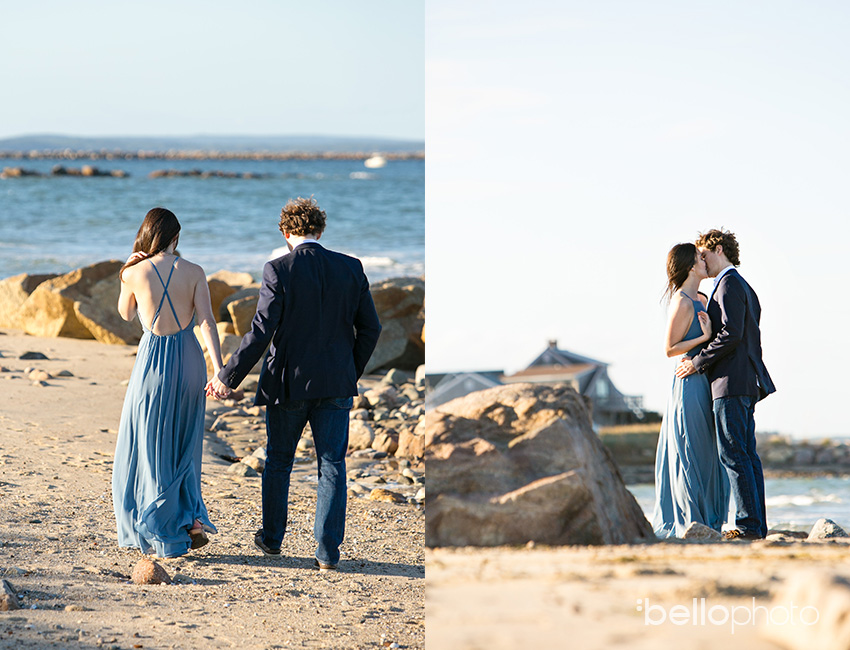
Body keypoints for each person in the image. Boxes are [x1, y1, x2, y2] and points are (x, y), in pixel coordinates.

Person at [207, 197, 381, 571]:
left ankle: (272, 541)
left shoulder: (278, 269)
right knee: (332, 463)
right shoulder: (351, 268)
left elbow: (260, 331)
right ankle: (327, 553)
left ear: (287, 234)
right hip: (336, 381)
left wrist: (227, 376)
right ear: (320, 231)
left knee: (280, 461)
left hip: (288, 383)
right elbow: (371, 328)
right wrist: (350, 370)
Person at [112, 207, 222, 558]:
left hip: (152, 363)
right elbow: (207, 323)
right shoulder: (195, 272)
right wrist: (219, 369)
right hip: (190, 359)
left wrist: (125, 272)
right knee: (185, 444)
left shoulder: (134, 272)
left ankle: (162, 531)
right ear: (175, 237)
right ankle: (190, 520)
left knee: (150, 443)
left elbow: (126, 314)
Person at [675, 229, 776, 540]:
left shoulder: (729, 284)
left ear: (718, 249)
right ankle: (756, 526)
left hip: (730, 382)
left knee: (734, 455)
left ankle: (748, 527)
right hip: (744, 380)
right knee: (746, 455)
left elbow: (731, 334)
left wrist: (697, 361)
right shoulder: (742, 285)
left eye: (704, 254)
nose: (702, 261)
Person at [651, 243, 730, 538]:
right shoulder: (682, 301)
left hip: (705, 381)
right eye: (700, 257)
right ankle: (690, 520)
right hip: (689, 384)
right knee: (692, 449)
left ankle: (711, 520)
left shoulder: (703, 297)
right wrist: (707, 336)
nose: (704, 259)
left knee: (709, 451)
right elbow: (669, 349)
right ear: (689, 266)